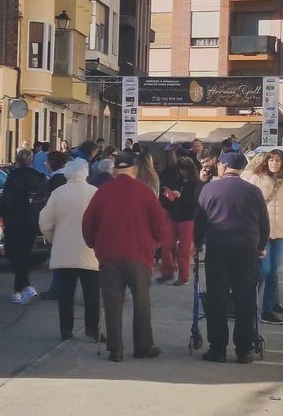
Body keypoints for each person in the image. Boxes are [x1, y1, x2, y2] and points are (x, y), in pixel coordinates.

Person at [82, 153, 168, 362]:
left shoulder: (103, 192)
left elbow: (88, 223)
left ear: (114, 172)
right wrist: (156, 244)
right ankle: (143, 346)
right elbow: (160, 221)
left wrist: (95, 244)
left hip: (109, 254)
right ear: (134, 171)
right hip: (139, 254)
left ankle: (115, 348)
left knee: (112, 303)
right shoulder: (144, 192)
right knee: (141, 301)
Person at [194, 152, 270, 364]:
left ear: (224, 166)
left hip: (218, 248)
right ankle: (244, 349)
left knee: (217, 298)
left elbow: (200, 219)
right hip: (246, 250)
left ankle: (217, 348)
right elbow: (264, 223)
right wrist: (261, 246)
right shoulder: (254, 191)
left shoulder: (209, 189)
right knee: (245, 298)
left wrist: (197, 243)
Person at [40, 159, 100, 341]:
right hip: (89, 251)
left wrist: (52, 238)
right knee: (92, 294)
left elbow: (45, 221)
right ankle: (92, 329)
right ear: (86, 172)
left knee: (66, 293)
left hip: (63, 249)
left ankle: (66, 329)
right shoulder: (94, 192)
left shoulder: (58, 193)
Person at [242, 149, 283, 325]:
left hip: (281, 232)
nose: (274, 163)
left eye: (278, 161)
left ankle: (268, 309)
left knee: (274, 271)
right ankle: (248, 301)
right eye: (271, 160)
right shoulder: (256, 179)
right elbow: (246, 202)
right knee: (263, 270)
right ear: (266, 162)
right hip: (261, 233)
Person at [0, 148, 48, 304]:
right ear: (31, 160)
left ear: (17, 160)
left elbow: (6, 200)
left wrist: (2, 213)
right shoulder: (39, 177)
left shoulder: (13, 177)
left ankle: (20, 288)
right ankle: (24, 287)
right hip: (32, 221)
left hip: (15, 221)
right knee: (24, 254)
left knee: (14, 254)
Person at [157, 157, 202, 286]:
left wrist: (181, 197)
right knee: (166, 245)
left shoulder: (196, 184)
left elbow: (195, 203)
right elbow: (171, 199)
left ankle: (183, 277)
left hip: (187, 218)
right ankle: (168, 271)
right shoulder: (178, 181)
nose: (181, 171)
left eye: (183, 169)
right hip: (174, 215)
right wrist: (168, 195)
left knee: (184, 249)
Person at [39, 150, 70, 300]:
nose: (45, 163)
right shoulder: (65, 176)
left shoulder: (56, 179)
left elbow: (51, 205)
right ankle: (57, 287)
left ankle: (57, 289)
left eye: (47, 161)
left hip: (59, 223)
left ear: (52, 163)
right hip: (68, 222)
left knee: (57, 257)